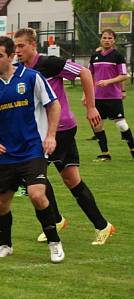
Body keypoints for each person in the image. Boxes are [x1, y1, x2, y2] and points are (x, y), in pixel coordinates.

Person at [14, 28, 116, 245]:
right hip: (43, 130)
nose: (17, 50)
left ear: (33, 44)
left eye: (21, 45)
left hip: (61, 128)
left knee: (34, 176)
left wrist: (91, 107)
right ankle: (102, 225)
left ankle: (56, 219)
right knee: (71, 179)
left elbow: (85, 73)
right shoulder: (20, 70)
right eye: (15, 47)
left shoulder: (50, 63)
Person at [0, 36, 64, 263]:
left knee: (36, 194)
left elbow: (54, 105)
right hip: (6, 154)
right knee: (1, 203)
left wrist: (51, 135)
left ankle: (54, 242)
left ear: (12, 56)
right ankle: (5, 245)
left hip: (33, 148)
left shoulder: (32, 78)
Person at [89, 29, 134, 161]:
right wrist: (86, 95)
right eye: (104, 38)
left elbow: (124, 75)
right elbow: (89, 75)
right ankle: (105, 153)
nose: (107, 40)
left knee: (121, 124)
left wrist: (108, 82)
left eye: (110, 38)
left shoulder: (118, 56)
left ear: (114, 40)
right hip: (97, 97)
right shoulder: (94, 56)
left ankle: (132, 150)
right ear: (101, 39)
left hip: (113, 96)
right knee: (96, 125)